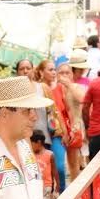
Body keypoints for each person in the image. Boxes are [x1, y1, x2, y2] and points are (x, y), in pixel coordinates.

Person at [34, 59, 67, 192]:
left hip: (55, 131)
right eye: (50, 69)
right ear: (41, 72)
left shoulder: (61, 87)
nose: (54, 72)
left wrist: (64, 130)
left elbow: (58, 111)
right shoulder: (36, 88)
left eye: (55, 69)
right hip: (39, 134)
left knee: (59, 167)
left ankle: (63, 194)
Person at [54, 60, 87, 181]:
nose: (64, 75)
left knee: (74, 164)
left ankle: (76, 190)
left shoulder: (76, 87)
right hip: (59, 129)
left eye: (67, 72)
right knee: (61, 164)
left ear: (72, 74)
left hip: (75, 128)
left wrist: (69, 85)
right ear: (57, 75)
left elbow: (82, 98)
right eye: (61, 72)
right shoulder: (54, 89)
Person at [30, 130, 58, 199]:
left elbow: (54, 171)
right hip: (35, 185)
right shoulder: (31, 155)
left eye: (32, 143)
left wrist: (57, 186)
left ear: (38, 142)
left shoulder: (49, 154)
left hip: (47, 186)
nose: (30, 146)